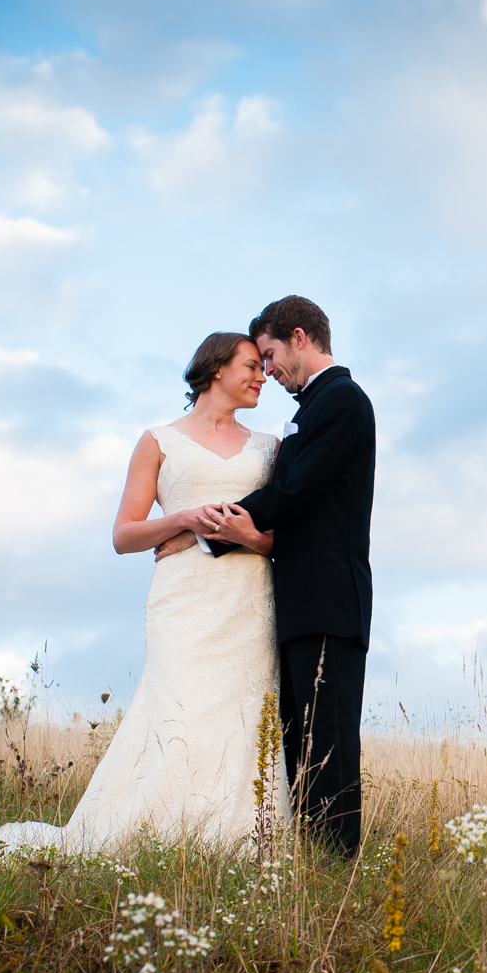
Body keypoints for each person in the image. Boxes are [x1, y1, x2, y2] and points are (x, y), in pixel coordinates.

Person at [0, 332, 288, 866]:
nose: (262, 376)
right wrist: (182, 519)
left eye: (264, 368)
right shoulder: (159, 440)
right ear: (216, 368)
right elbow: (124, 535)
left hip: (249, 595)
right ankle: (160, 831)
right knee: (178, 706)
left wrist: (239, 537)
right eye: (251, 365)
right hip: (184, 600)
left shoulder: (271, 447)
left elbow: (281, 533)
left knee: (246, 712)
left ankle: (238, 839)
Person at [187, 295, 375, 858]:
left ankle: (336, 871)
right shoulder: (314, 406)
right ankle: (314, 860)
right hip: (299, 602)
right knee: (300, 742)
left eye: (269, 355)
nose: (267, 370)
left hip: (329, 601)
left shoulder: (342, 401)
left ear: (299, 337)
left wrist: (204, 529)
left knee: (331, 744)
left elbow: (292, 493)